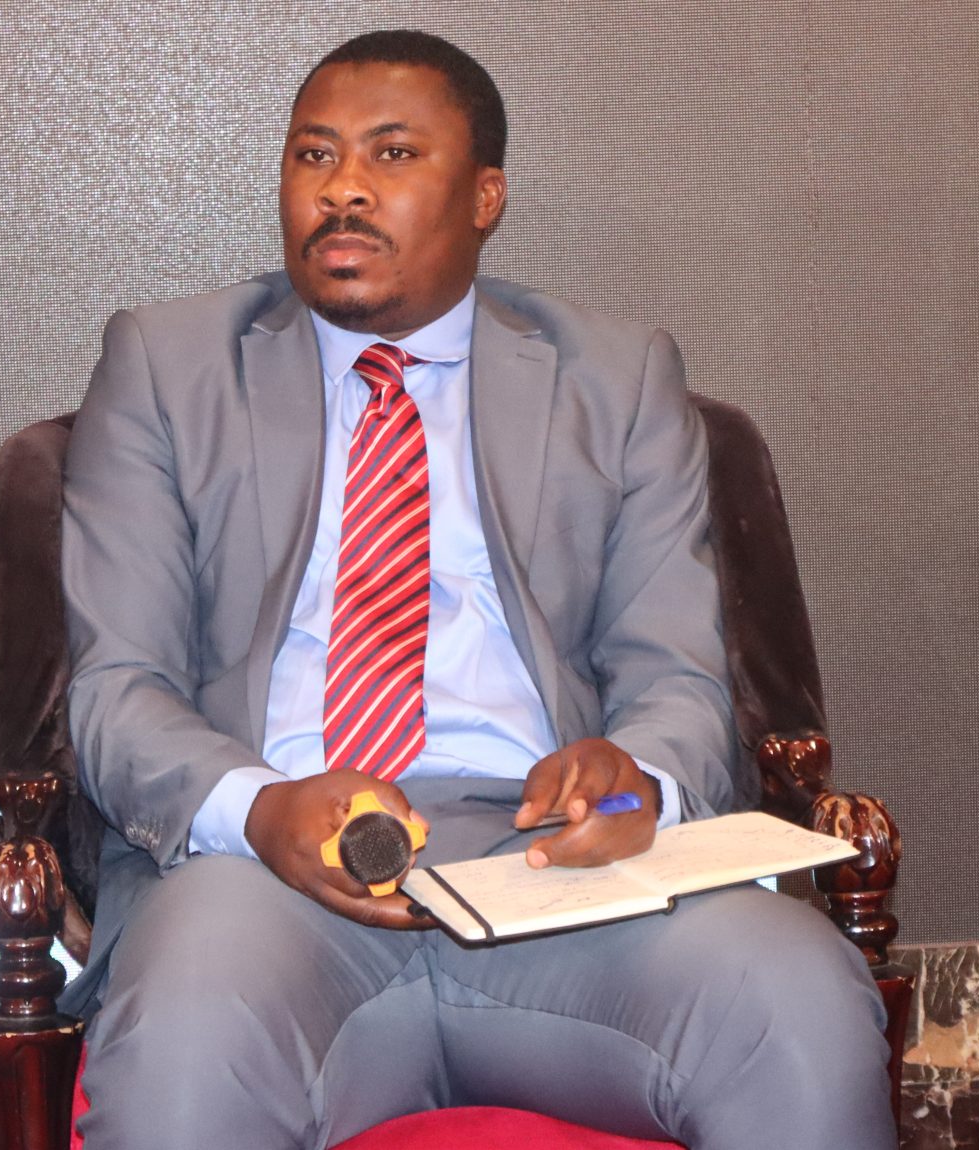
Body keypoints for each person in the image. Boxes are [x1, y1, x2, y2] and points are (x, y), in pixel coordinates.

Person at [57, 28, 896, 1150]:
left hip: (551, 875)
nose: (343, 189)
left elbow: (677, 679)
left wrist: (627, 786)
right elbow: (119, 688)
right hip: (266, 881)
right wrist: (259, 809)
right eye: (313, 155)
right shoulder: (168, 368)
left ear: (485, 195)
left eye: (393, 154)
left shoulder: (613, 380)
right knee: (181, 1046)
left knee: (795, 998)